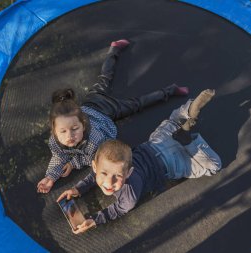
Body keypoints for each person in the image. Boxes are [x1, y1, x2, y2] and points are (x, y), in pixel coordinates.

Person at [57, 89, 222, 233]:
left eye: (117, 177)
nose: (108, 182)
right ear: (95, 166)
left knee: (214, 166)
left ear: (129, 173)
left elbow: (119, 209)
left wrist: (95, 219)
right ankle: (188, 111)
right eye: (104, 173)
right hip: (160, 140)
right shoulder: (115, 168)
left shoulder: (130, 194)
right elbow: (94, 176)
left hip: (173, 163)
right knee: (173, 121)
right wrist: (77, 189)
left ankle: (187, 139)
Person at [37, 39, 189, 193]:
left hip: (105, 110)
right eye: (63, 131)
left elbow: (92, 159)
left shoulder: (94, 139)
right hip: (90, 104)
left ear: (83, 124)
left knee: (135, 102)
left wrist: (72, 164)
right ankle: (115, 49)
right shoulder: (55, 142)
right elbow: (58, 156)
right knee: (104, 79)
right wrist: (50, 178)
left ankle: (169, 90)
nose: (70, 135)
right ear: (54, 131)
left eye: (75, 128)